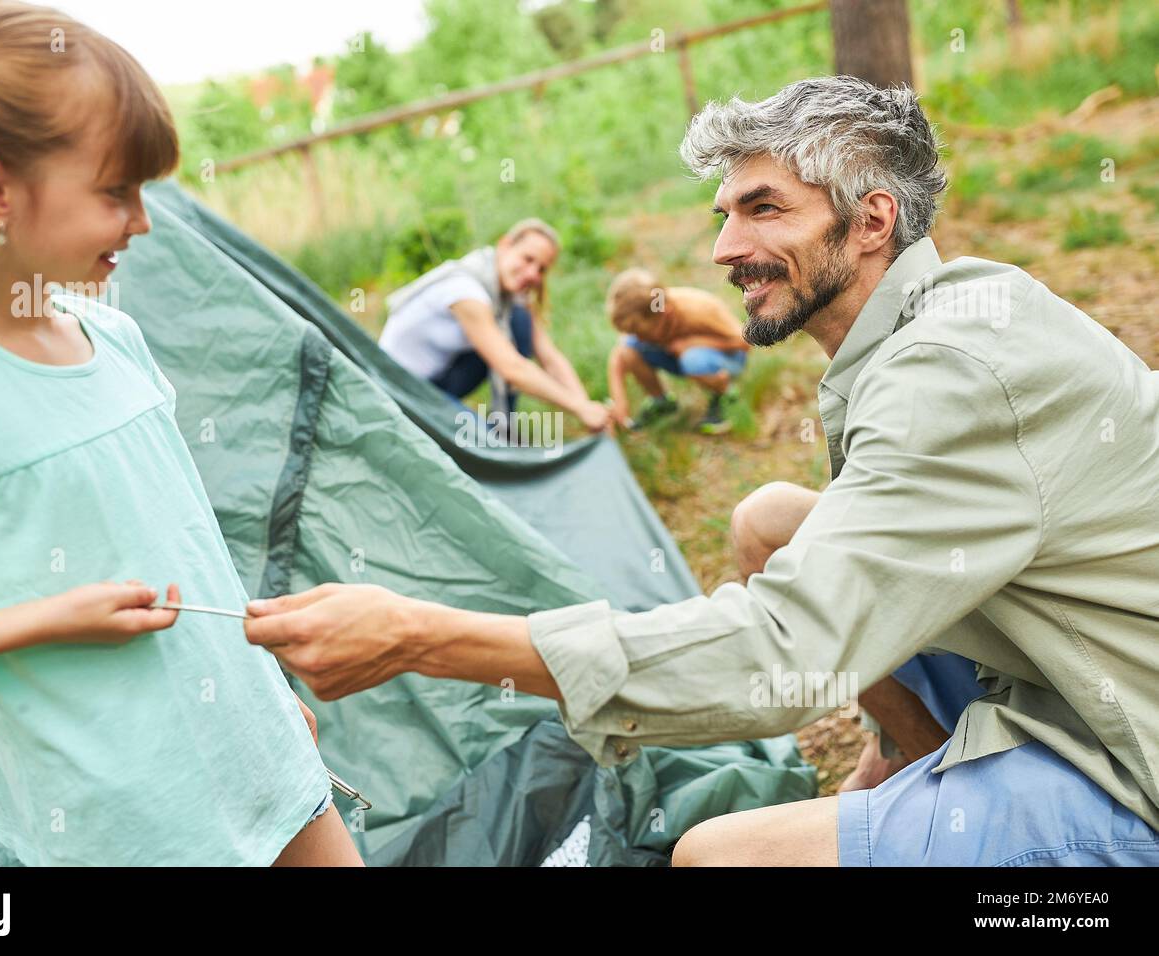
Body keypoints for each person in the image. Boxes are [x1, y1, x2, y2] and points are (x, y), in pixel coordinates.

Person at [243, 76, 1159, 866]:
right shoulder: (945, 311)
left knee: (720, 856)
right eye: (724, 214)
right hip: (1070, 657)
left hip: (1129, 749)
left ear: (873, 217)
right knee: (768, 522)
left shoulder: (954, 374)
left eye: (763, 207)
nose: (722, 249)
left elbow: (783, 653)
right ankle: (917, 763)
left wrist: (420, 638)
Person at [0, 0, 360, 866]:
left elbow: (184, 548)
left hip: (262, 762)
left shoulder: (114, 337)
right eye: (115, 192)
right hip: (118, 827)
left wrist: (262, 694)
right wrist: (48, 617)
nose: (144, 221)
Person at [379, 219, 611, 434]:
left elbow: (549, 357)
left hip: (440, 379)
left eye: (542, 269)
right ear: (504, 245)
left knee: (520, 320)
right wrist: (578, 408)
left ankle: (503, 426)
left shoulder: (508, 295)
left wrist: (587, 407)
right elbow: (513, 369)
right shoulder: (466, 290)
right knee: (483, 445)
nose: (533, 274)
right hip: (400, 390)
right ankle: (493, 438)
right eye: (528, 259)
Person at [605, 267, 750, 434]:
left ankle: (723, 392)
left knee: (692, 359)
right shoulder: (654, 309)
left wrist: (694, 343)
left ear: (666, 314)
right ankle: (661, 401)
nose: (641, 339)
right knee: (628, 349)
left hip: (728, 358)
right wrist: (620, 403)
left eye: (642, 333)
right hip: (681, 356)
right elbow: (619, 356)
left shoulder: (697, 310)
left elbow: (744, 342)